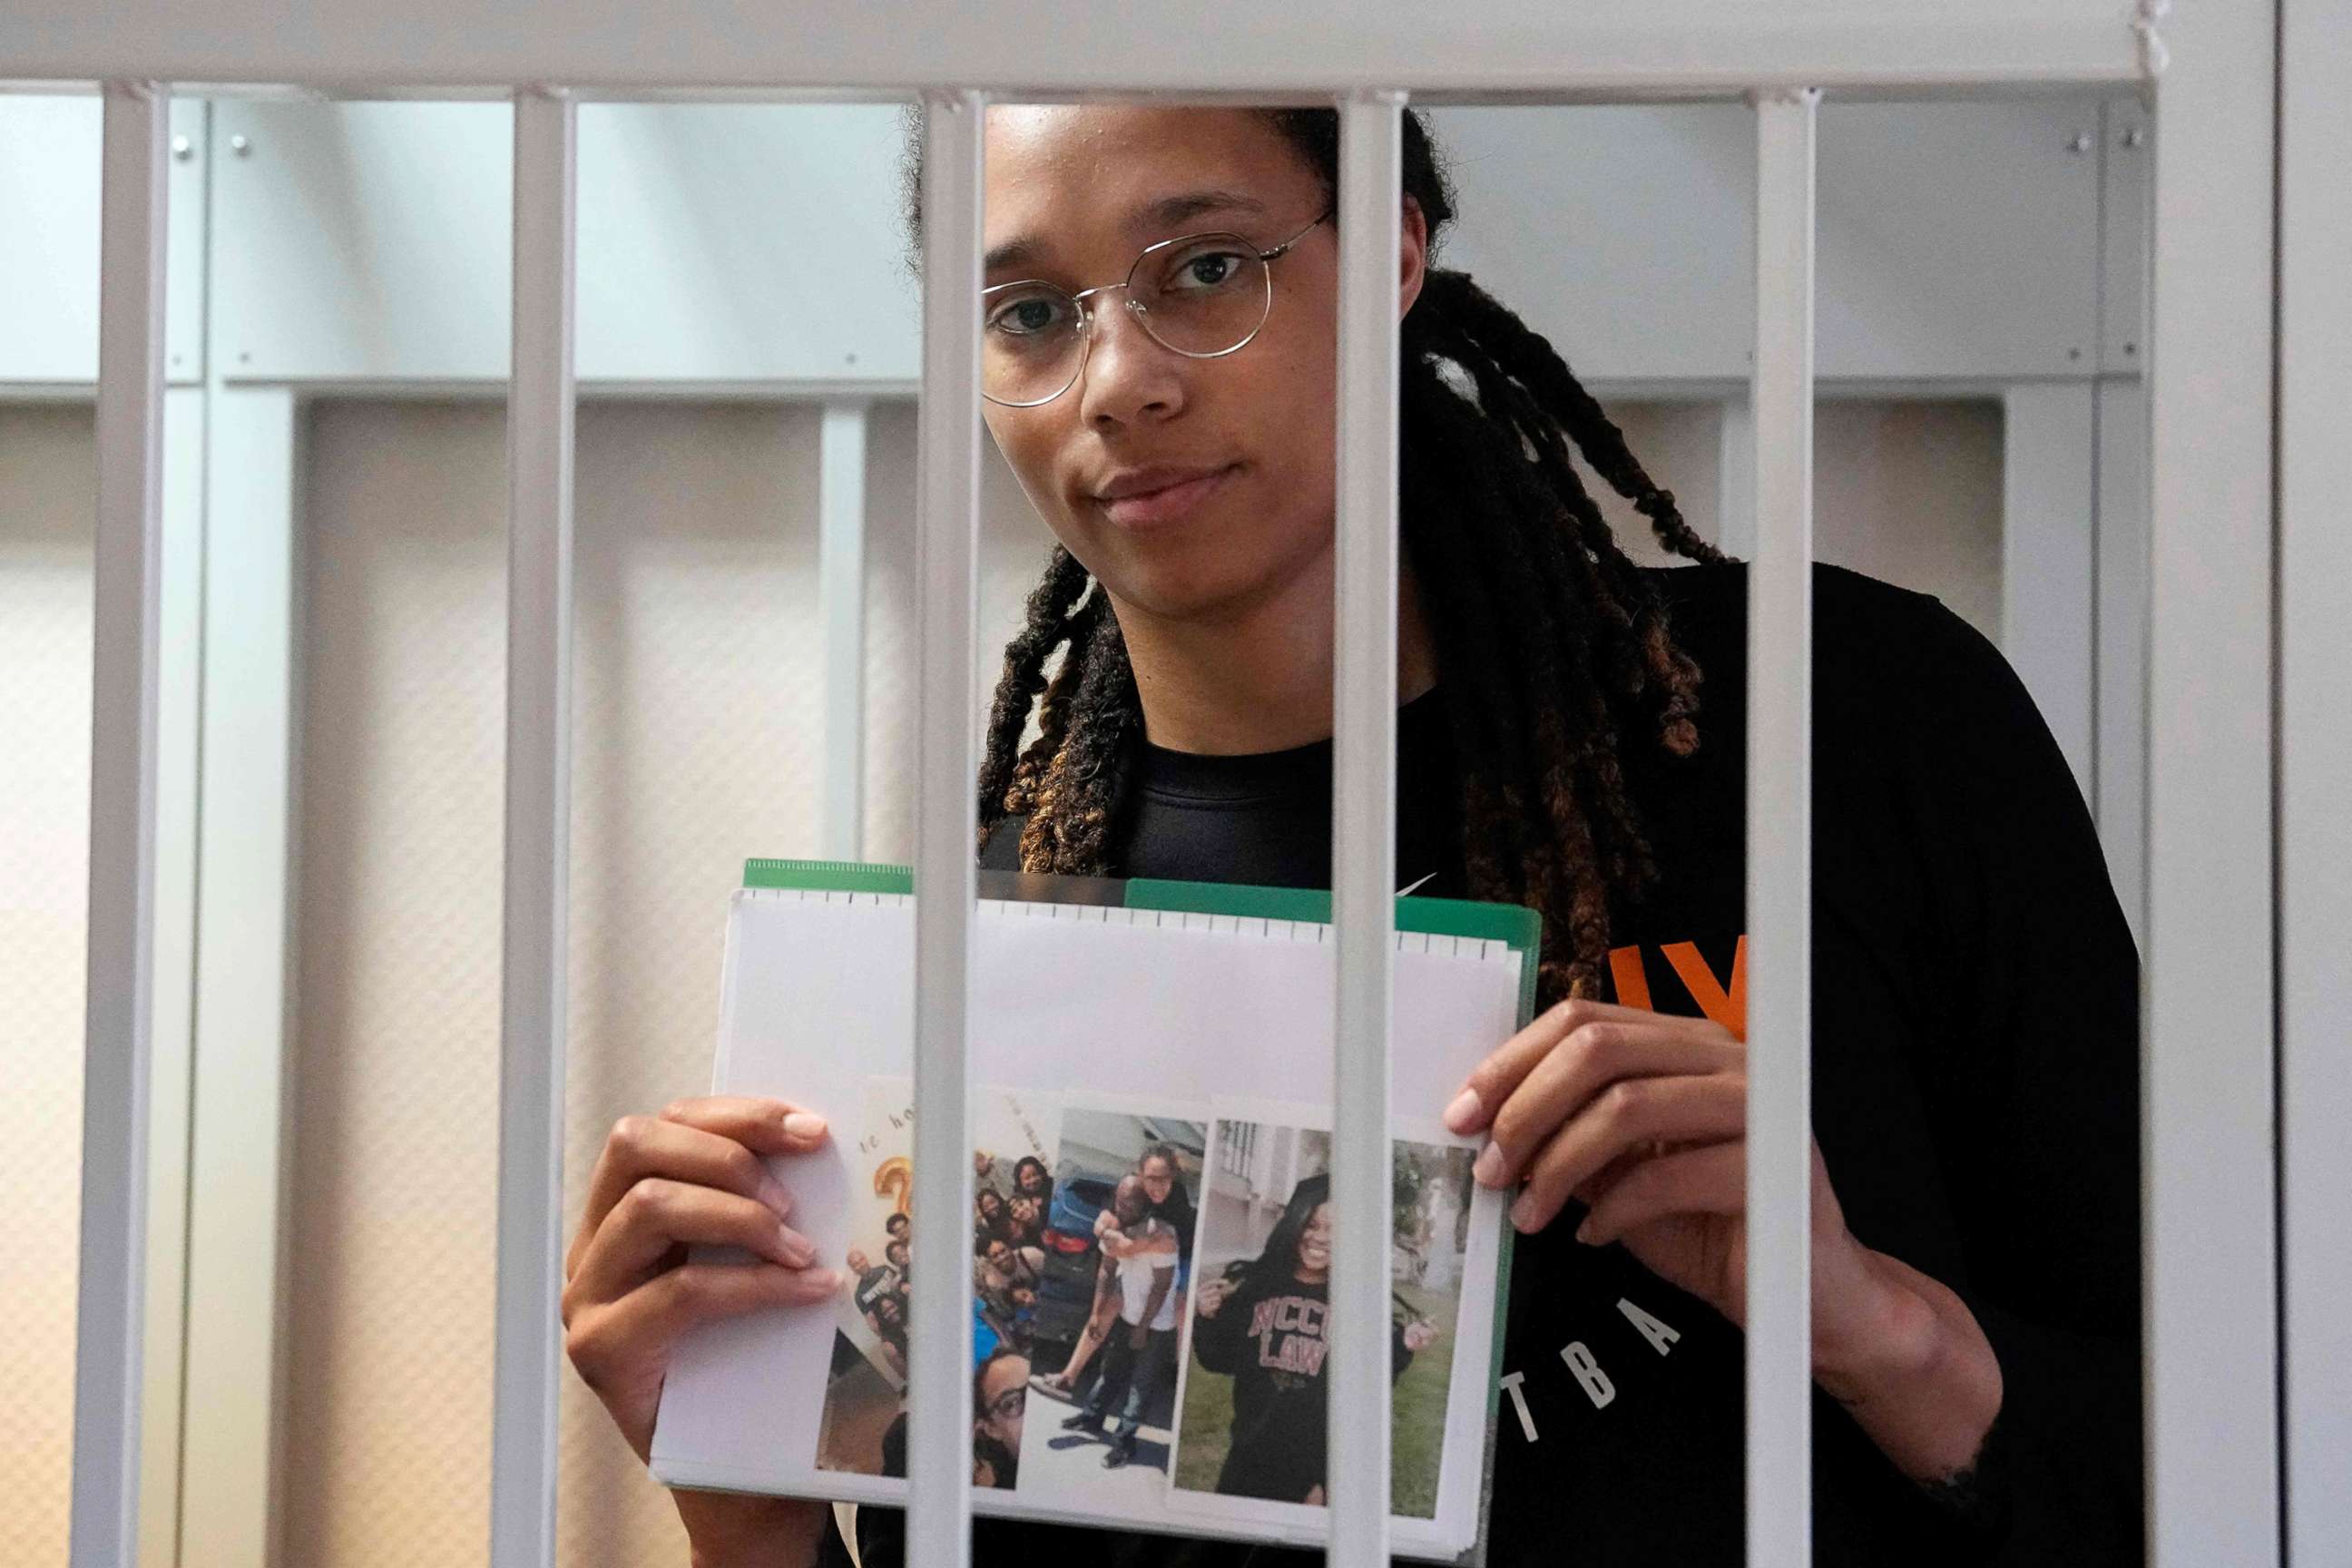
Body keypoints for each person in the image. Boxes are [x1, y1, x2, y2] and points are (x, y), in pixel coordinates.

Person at [561, 103, 2141, 1567]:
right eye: (1031, 312)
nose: (1121, 382)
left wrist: (1875, 1327)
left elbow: (2212, 1452)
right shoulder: (977, 978)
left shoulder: (1849, 718)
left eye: (1203, 269)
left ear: (1389, 246)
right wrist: (746, 1507)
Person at [1190, 1173, 1436, 1503]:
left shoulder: (1355, 1301)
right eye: (1312, 1224)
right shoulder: (1259, 1287)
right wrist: (1206, 1318)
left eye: (1335, 1229)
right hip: (1247, 1458)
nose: (1321, 1237)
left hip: (1312, 1472)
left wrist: (1402, 1344)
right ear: (1294, 1224)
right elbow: (1218, 1359)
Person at [1061, 1175, 1181, 1468]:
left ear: (1145, 1203)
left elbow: (1161, 1287)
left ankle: (1124, 1443)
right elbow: (1106, 1270)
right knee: (1110, 1371)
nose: (1124, 1205)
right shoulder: (1115, 1230)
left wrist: (1142, 1329)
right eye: (1121, 1199)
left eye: (1132, 1201)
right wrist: (1095, 1313)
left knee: (1140, 1387)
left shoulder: (1158, 1237)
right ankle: (1091, 1418)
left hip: (1157, 1325)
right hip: (1129, 1316)